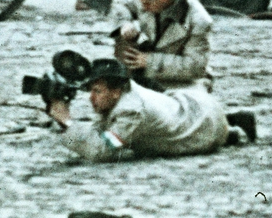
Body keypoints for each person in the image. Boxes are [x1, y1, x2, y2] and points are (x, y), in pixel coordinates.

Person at [41, 57, 241, 162]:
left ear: (116, 91)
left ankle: (230, 128)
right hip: (193, 106)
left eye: (97, 91)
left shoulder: (131, 111)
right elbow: (102, 128)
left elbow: (103, 150)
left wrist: (67, 122)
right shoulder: (124, 92)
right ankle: (231, 123)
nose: (91, 98)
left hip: (206, 125)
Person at [109, 0, 214, 91]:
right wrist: (124, 24)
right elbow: (119, 2)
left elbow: (195, 67)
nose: (143, 8)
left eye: (147, 4)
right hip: (147, 69)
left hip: (181, 79)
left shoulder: (199, 20)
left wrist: (150, 61)